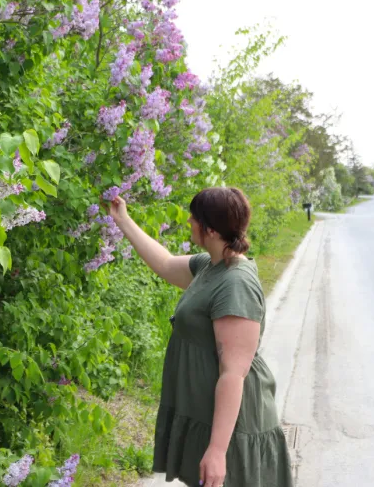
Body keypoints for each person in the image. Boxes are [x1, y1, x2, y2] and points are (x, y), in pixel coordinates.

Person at [107, 187, 293, 487]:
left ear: (209, 227)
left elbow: (234, 374)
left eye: (193, 218)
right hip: (206, 409)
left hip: (234, 423)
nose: (189, 223)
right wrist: (123, 220)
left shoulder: (236, 283)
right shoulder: (211, 265)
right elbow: (166, 264)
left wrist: (218, 450)